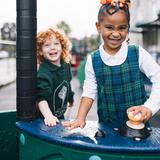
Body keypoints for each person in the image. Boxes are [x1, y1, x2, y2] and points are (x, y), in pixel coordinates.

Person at [63, 0, 160, 129]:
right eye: (109, 27)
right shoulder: (93, 60)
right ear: (98, 26)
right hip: (108, 127)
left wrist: (150, 106)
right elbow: (89, 92)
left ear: (128, 27)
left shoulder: (137, 53)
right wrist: (80, 118)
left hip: (139, 126)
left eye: (122, 28)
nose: (116, 33)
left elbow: (158, 77)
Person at [37, 27, 74, 126]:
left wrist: (71, 97)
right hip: (45, 119)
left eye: (56, 44)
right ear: (40, 51)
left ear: (62, 47)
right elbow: (41, 98)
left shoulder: (65, 65)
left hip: (59, 115)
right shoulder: (43, 73)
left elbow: (67, 83)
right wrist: (48, 116)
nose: (52, 47)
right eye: (47, 45)